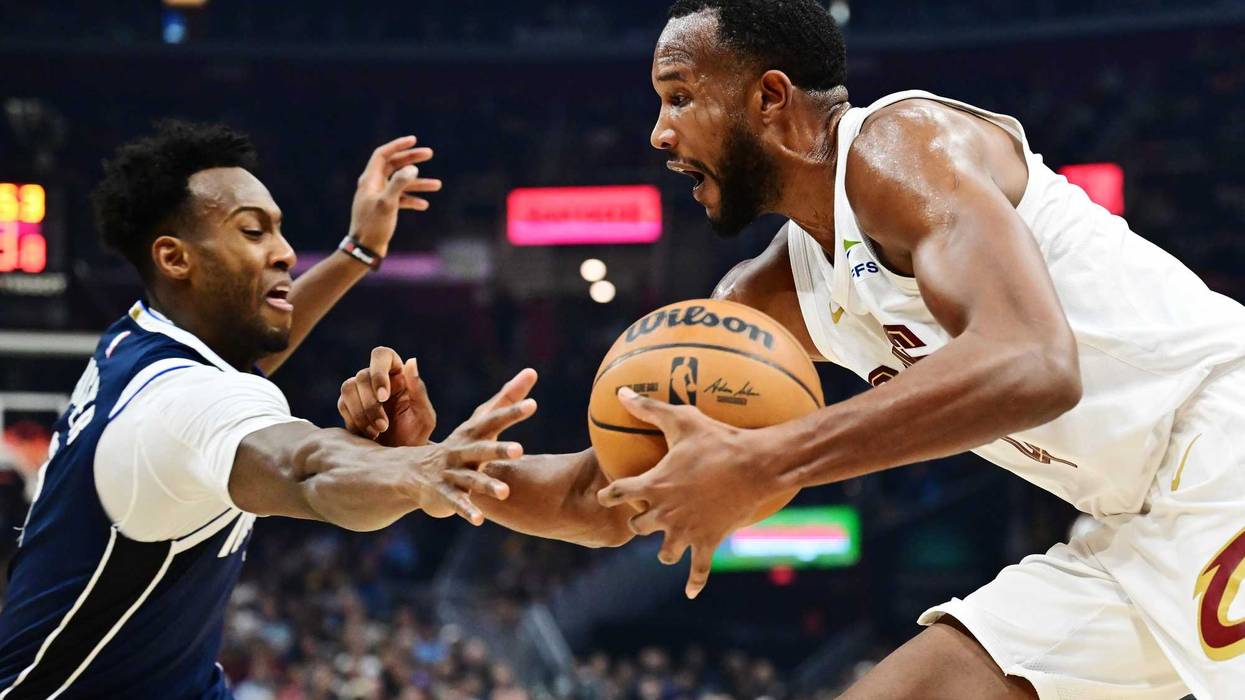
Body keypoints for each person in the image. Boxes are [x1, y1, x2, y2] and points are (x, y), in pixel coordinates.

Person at [341, 1, 1245, 697]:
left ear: (769, 99)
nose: (659, 134)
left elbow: (1031, 362)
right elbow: (609, 497)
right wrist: (432, 468)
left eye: (679, 98)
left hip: (1225, 449)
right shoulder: (765, 299)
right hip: (1127, 526)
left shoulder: (901, 147)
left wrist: (769, 456)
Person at [0, 121, 537, 698]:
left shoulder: (135, 339)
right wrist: (413, 469)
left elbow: (243, 348)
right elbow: (304, 467)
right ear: (175, 258)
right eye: (253, 231)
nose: (283, 252)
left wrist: (357, 252)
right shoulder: (180, 402)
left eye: (278, 230)